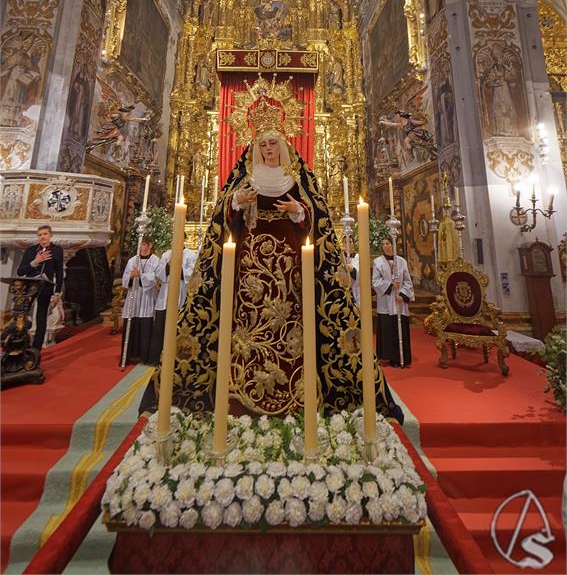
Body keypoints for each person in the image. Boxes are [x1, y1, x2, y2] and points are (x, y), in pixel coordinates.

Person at [147, 80, 403, 423]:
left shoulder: (297, 176)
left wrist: (297, 210)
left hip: (292, 264)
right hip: (249, 265)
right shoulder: (246, 174)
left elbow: (316, 217)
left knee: (291, 321)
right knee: (249, 322)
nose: (268, 148)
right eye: (263, 143)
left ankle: (296, 386)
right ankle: (240, 385)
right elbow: (224, 216)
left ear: (282, 144)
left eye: (273, 143)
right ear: (257, 146)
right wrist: (237, 201)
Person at [148, 247, 198, 366]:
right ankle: (156, 358)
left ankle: (176, 357)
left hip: (180, 295)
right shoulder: (166, 254)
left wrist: (178, 268)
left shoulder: (190, 255)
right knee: (160, 328)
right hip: (164, 297)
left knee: (177, 328)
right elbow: (159, 274)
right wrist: (168, 266)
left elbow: (192, 273)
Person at [17, 225, 64, 352]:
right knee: (22, 315)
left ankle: (36, 349)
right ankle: (20, 343)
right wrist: (35, 262)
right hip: (30, 287)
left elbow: (59, 273)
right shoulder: (30, 251)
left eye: (45, 234)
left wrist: (57, 293)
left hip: (46, 288)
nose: (42, 237)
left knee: (41, 318)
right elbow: (20, 272)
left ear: (50, 235)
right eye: (40, 235)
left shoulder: (57, 250)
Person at [373, 238, 414, 368]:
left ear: (393, 244)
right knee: (387, 328)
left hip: (399, 302)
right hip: (385, 301)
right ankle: (388, 356)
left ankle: (401, 357)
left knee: (399, 329)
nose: (385, 246)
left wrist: (402, 295)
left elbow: (407, 280)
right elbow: (375, 282)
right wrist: (390, 287)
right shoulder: (377, 262)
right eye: (383, 244)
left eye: (388, 243)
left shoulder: (402, 262)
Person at [121, 236, 159, 365]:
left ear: (151, 245)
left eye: (147, 244)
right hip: (134, 296)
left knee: (145, 328)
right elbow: (125, 279)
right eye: (143, 244)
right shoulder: (133, 260)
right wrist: (131, 277)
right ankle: (128, 356)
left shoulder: (155, 260)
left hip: (147, 297)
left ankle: (145, 357)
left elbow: (154, 278)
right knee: (131, 326)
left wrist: (141, 275)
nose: (145, 247)